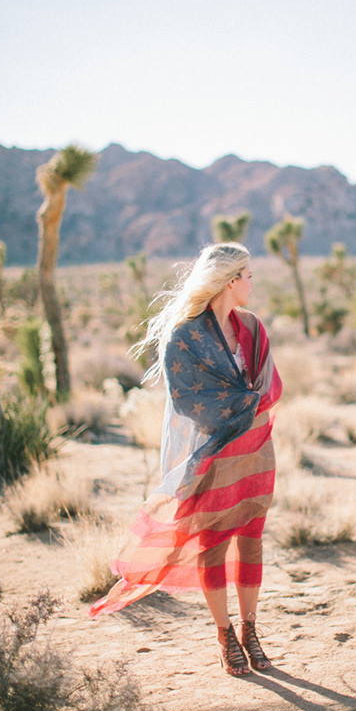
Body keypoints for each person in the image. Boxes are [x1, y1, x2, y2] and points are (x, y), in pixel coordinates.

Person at [89, 242, 282, 677]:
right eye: (248, 275)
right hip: (212, 450)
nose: (252, 283)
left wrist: (245, 405)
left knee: (252, 539)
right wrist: (243, 406)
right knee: (213, 542)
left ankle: (251, 630)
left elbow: (272, 385)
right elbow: (189, 401)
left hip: (255, 448)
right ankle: (225, 634)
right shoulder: (185, 337)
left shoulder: (252, 327)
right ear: (230, 281)